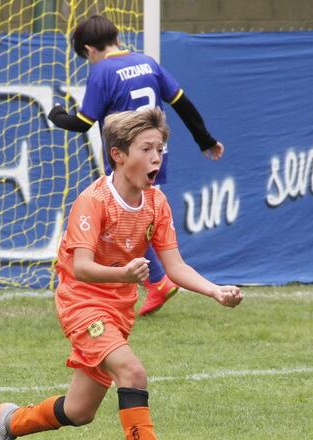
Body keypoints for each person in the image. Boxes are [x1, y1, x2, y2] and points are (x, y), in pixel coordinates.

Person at [0, 108, 242, 440]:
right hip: (81, 302)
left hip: (118, 309)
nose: (157, 157)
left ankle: (10, 422)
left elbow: (175, 266)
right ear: (118, 154)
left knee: (79, 411)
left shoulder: (156, 203)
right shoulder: (94, 201)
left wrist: (215, 290)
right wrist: (123, 274)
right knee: (132, 372)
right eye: (147, 148)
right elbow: (82, 267)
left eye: (161, 148)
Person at [48, 14, 224, 316]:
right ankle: (155, 280)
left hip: (127, 158)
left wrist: (55, 115)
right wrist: (205, 139)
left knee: (120, 216)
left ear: (90, 50)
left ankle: (145, 281)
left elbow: (82, 123)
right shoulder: (148, 62)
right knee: (139, 215)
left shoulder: (102, 70)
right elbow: (182, 102)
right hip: (156, 152)